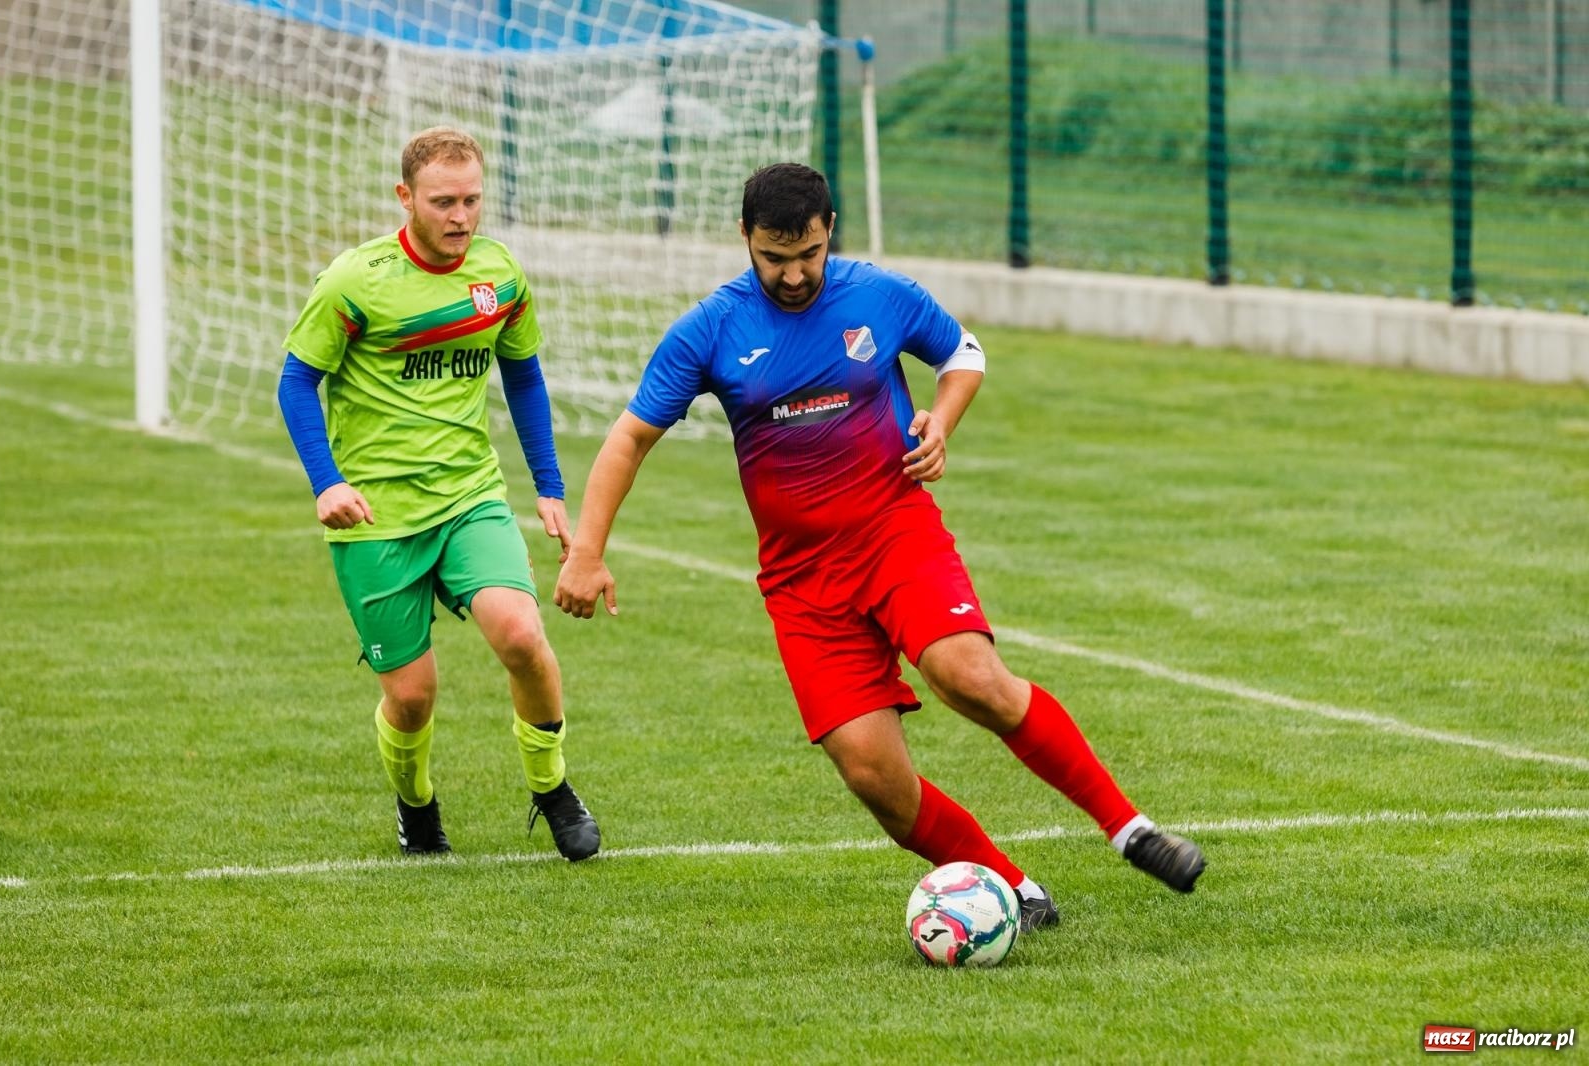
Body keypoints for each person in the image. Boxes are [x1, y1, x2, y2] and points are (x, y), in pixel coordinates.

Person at [553, 162, 1202, 924]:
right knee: (874, 779)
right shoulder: (711, 329)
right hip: (801, 584)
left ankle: (1131, 831)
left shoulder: (878, 295)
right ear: (744, 239)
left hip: (896, 536)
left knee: (971, 676)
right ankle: (1011, 887)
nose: (794, 275)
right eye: (774, 258)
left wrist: (941, 419)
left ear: (830, 229)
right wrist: (587, 552)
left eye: (809, 254)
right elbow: (629, 439)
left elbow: (963, 353)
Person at [277, 126, 599, 861]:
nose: (461, 216)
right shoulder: (357, 280)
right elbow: (296, 380)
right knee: (413, 696)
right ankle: (416, 806)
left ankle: (552, 789)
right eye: (444, 201)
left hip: (468, 497)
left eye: (472, 200)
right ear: (406, 198)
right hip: (376, 516)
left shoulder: (499, 275)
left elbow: (523, 374)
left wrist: (548, 487)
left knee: (522, 635)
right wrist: (327, 483)